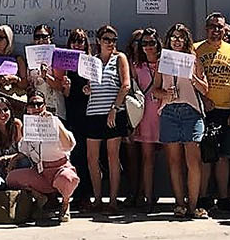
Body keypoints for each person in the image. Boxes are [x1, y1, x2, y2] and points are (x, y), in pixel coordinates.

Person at [195, 12, 230, 212]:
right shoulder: (196, 49)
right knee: (206, 156)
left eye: (219, 27)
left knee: (225, 156)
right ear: (206, 28)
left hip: (228, 111)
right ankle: (203, 197)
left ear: (226, 30)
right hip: (204, 110)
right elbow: (189, 80)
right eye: (212, 26)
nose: (216, 30)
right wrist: (204, 100)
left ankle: (224, 198)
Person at [157, 23, 209, 219]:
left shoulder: (194, 60)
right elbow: (155, 89)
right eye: (174, 37)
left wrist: (193, 76)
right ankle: (179, 203)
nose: (177, 40)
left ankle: (193, 205)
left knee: (193, 161)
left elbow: (205, 89)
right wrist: (165, 93)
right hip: (169, 111)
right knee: (173, 161)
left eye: (181, 37)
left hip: (191, 111)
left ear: (186, 40)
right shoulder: (164, 60)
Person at [8, 91, 81, 222]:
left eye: (39, 104)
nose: (36, 108)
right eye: (32, 104)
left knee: (68, 179)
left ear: (45, 105)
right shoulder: (29, 127)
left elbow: (69, 145)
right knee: (11, 179)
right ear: (27, 108)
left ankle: (65, 203)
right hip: (41, 171)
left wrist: (55, 123)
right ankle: (42, 197)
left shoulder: (55, 122)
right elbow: (23, 150)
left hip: (60, 169)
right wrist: (13, 159)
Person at [84, 24, 132, 214]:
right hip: (93, 113)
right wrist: (86, 89)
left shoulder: (120, 58)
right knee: (92, 158)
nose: (110, 43)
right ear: (98, 41)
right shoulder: (92, 61)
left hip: (113, 114)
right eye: (106, 40)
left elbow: (126, 85)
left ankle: (113, 200)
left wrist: (115, 108)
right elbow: (89, 87)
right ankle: (97, 199)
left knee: (113, 157)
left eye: (113, 40)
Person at [125, 27, 163, 210]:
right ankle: (147, 198)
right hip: (145, 114)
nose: (148, 46)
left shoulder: (165, 63)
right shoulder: (136, 66)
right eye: (144, 43)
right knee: (147, 158)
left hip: (165, 113)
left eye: (151, 43)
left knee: (174, 158)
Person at [56, 28, 93, 208]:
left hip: (89, 112)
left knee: (88, 154)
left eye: (81, 41)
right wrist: (67, 88)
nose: (77, 45)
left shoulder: (90, 63)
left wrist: (89, 89)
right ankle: (75, 194)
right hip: (72, 111)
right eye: (74, 41)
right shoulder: (66, 62)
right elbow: (66, 94)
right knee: (74, 153)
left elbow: (97, 86)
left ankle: (87, 193)